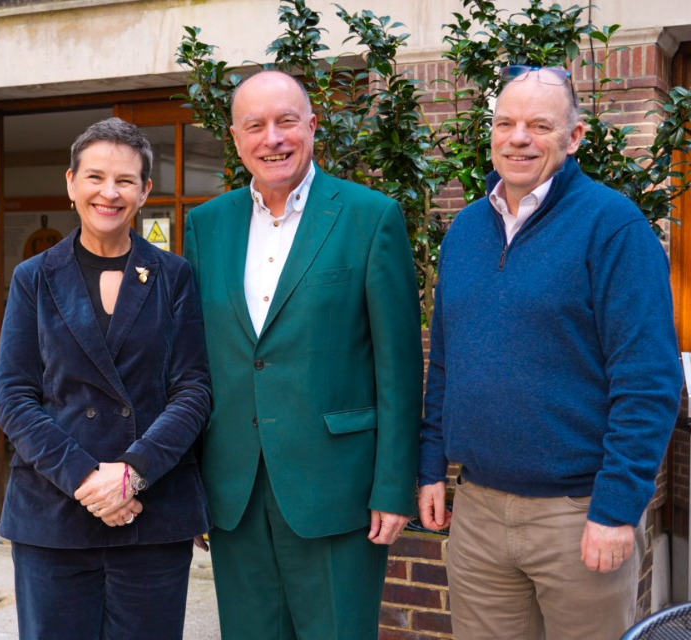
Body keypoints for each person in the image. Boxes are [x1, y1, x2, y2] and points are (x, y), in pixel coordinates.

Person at [418, 65, 683, 639]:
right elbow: (445, 362)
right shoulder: (466, 230)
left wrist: (616, 509)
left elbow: (648, 381)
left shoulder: (613, 227)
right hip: (480, 510)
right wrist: (431, 464)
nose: (519, 138)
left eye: (540, 125)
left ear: (575, 137)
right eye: (506, 123)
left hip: (577, 513)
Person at [184, 70, 423, 639]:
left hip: (339, 490)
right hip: (234, 488)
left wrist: (393, 486)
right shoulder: (206, 225)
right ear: (236, 138)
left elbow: (398, 367)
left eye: (287, 121)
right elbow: (192, 361)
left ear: (312, 126)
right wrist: (190, 482)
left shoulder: (370, 217)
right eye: (256, 126)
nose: (273, 138)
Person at [0, 117, 212, 640]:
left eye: (125, 181)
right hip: (54, 512)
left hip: (152, 511)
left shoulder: (173, 275)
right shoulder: (34, 277)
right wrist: (88, 479)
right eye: (94, 177)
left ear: (144, 192)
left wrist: (131, 475)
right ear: (71, 184)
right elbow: (14, 397)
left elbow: (193, 391)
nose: (108, 193)